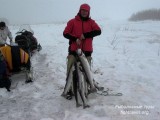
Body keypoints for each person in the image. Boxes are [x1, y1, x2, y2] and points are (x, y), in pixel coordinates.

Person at [63, 3, 101, 99]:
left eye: (86, 11)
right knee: (70, 70)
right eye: (82, 10)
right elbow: (65, 33)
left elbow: (98, 31)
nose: (84, 12)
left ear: (88, 12)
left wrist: (85, 35)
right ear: (80, 11)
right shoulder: (72, 22)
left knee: (86, 71)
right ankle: (69, 89)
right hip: (73, 51)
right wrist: (75, 38)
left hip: (87, 51)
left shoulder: (91, 22)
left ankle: (87, 87)